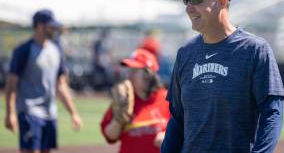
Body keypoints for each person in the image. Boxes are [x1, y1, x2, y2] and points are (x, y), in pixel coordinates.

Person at [161, 0, 284, 153]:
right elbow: (178, 118)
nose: (188, 7)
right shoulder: (185, 53)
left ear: (222, 0)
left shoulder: (254, 50)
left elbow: (272, 112)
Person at [4, 9, 83, 153]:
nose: (54, 29)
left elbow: (61, 85)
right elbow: (11, 84)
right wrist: (10, 113)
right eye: (50, 26)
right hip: (29, 112)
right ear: (40, 26)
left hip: (50, 113)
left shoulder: (56, 50)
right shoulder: (24, 50)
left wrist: (74, 113)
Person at [100, 48, 171, 153]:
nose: (128, 76)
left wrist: (168, 136)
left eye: (134, 71)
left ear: (148, 75)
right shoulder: (124, 99)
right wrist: (118, 120)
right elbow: (110, 136)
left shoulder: (168, 99)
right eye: (128, 71)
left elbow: (184, 130)